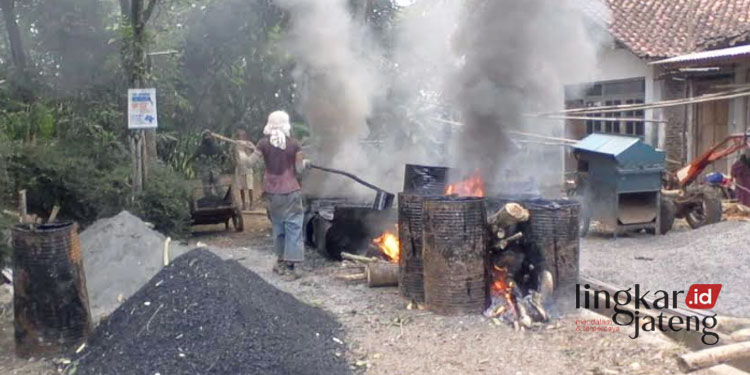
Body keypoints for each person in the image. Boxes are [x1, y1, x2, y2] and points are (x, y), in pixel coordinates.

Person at [247, 110, 310, 279]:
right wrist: (305, 163)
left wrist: (245, 152)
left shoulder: (263, 143)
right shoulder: (295, 144)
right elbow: (299, 169)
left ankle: (281, 261)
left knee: (278, 226)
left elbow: (249, 163)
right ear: (286, 124)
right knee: (294, 226)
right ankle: (292, 266)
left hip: (273, 193)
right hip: (291, 191)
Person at [233, 129, 255, 210]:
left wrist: (247, 147)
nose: (241, 137)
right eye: (239, 136)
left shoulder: (249, 143)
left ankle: (252, 204)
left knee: (250, 186)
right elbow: (234, 156)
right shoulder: (235, 145)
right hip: (239, 169)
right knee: (241, 187)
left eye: (242, 136)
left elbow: (255, 150)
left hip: (248, 168)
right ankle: (243, 204)